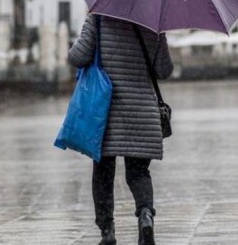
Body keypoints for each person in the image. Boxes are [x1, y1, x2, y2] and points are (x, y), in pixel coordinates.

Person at [68, 14, 173, 245]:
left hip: (105, 114)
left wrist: (82, 39)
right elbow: (164, 70)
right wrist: (159, 36)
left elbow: (77, 57)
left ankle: (107, 232)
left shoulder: (98, 18)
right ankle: (146, 215)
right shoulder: (153, 22)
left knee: (103, 173)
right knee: (138, 173)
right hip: (143, 113)